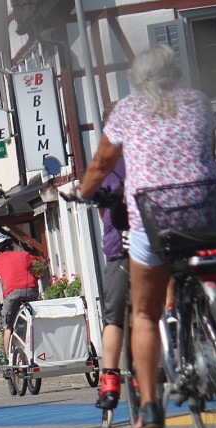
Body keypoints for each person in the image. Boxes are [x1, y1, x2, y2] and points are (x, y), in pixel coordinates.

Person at [76, 45, 216, 428]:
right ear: (175, 74)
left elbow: (101, 165)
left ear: (136, 79)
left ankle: (151, 407)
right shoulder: (198, 102)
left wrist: (87, 192)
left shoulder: (125, 110)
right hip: (206, 215)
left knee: (142, 311)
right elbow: (206, 152)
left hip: (153, 222)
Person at [95, 153, 131, 413]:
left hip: (123, 246)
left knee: (114, 319)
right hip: (169, 237)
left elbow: (100, 205)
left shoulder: (110, 162)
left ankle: (110, 383)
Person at [0, 232, 41, 357]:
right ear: (11, 247)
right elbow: (36, 272)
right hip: (32, 290)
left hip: (12, 293)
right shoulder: (25, 254)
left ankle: (9, 359)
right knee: (35, 321)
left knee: (8, 326)